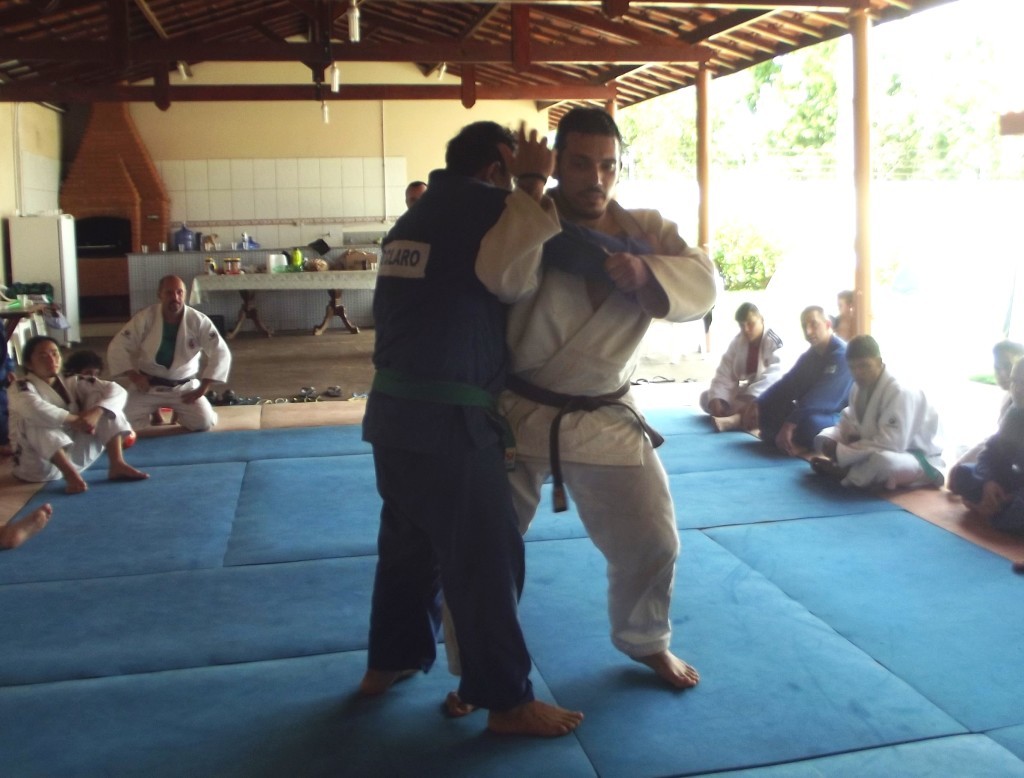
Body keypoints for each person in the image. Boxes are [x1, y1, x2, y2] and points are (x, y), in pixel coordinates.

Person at [359, 121, 583, 738]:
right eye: (511, 175)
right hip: (449, 421)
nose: (518, 188)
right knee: (487, 557)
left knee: (409, 547)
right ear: (494, 171)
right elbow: (541, 257)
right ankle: (507, 701)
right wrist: (536, 182)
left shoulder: (416, 217)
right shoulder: (487, 206)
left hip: (392, 418)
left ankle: (391, 660)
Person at [499, 106, 716, 689]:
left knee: (655, 538)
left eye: (607, 165)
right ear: (556, 164)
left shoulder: (646, 232)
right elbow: (501, 278)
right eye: (579, 164)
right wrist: (526, 192)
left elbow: (703, 284)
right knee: (484, 548)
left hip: (604, 410)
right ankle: (482, 672)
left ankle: (646, 640)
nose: (595, 178)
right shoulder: (525, 217)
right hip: (520, 413)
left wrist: (648, 275)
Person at [8, 336, 148, 494]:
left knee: (101, 399)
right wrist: (74, 420)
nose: (51, 359)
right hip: (37, 467)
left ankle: (117, 464)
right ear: (28, 364)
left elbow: (117, 390)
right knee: (32, 420)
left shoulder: (71, 381)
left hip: (75, 457)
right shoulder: (19, 387)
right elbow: (33, 409)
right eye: (43, 355)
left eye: (55, 354)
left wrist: (96, 412)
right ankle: (71, 476)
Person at [809, 335, 944, 489]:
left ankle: (847, 472)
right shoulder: (858, 388)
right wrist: (833, 441)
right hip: (876, 447)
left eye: (864, 365)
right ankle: (847, 467)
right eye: (853, 367)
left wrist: (842, 452)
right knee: (823, 437)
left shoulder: (900, 390)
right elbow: (849, 420)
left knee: (884, 462)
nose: (858, 372)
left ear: (879, 362)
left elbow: (891, 443)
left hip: (916, 456)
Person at [107, 275, 231, 432]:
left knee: (203, 423)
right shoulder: (145, 318)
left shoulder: (198, 320)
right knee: (120, 423)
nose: (175, 297)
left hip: (184, 388)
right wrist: (134, 376)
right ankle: (153, 412)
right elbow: (118, 346)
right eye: (169, 293)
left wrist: (203, 387)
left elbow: (220, 351)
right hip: (148, 387)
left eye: (180, 292)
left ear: (185, 294)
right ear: (160, 294)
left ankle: (181, 412)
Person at [755, 305, 853, 456]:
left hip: (837, 415)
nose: (808, 331)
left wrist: (790, 422)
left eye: (814, 324)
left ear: (827, 325)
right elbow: (788, 384)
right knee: (767, 407)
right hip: (807, 411)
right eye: (804, 326)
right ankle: (788, 440)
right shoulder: (810, 356)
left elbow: (822, 398)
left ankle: (794, 442)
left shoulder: (842, 355)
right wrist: (758, 403)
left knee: (810, 424)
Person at [948, 358, 1024, 533]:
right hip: (1018, 482)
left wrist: (1014, 496)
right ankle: (996, 509)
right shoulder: (1015, 414)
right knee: (962, 474)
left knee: (1017, 511)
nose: (1018, 389)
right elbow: (991, 455)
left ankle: (992, 510)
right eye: (1014, 382)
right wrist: (990, 481)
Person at [699, 302, 785, 432]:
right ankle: (740, 414)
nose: (746, 330)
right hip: (748, 391)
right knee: (707, 397)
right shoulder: (738, 342)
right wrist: (718, 398)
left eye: (750, 324)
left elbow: (775, 376)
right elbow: (725, 373)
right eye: (742, 325)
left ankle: (734, 420)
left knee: (768, 406)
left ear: (761, 320)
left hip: (769, 392)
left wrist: (752, 398)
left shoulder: (773, 340)